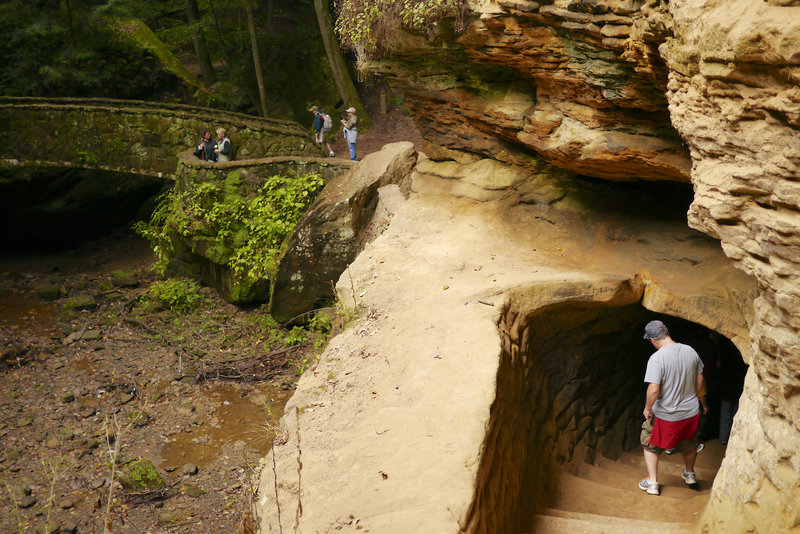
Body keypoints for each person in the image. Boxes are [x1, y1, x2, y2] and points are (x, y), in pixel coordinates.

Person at [639, 320, 707, 496]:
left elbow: (653, 389)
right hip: (690, 412)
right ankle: (690, 473)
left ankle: (652, 483)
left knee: (649, 443)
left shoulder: (657, 358)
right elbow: (700, 378)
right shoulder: (690, 351)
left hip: (665, 414)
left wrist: (648, 408)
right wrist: (693, 396)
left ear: (653, 340)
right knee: (689, 442)